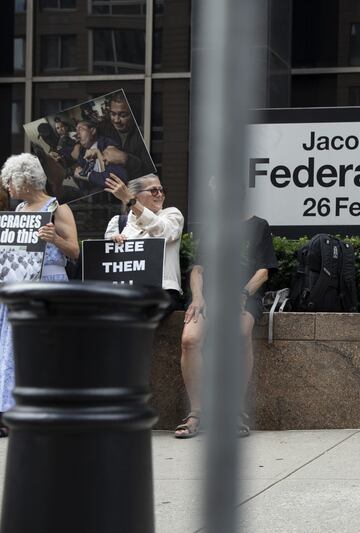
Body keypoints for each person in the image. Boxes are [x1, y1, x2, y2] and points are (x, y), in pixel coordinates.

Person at [174, 216, 278, 439]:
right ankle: (197, 414)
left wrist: (242, 294)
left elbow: (263, 271)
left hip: (244, 293)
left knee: (240, 334)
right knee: (189, 340)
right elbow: (197, 270)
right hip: (209, 295)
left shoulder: (258, 225)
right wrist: (198, 297)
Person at [0, 153, 80, 438]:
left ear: (24, 179)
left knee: (48, 347)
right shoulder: (19, 210)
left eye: (10, 180)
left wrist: (54, 238)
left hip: (50, 282)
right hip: (19, 285)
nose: (7, 186)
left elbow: (74, 250)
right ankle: (12, 410)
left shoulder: (57, 208)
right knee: (14, 349)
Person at [103, 173, 185, 312]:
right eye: (153, 190)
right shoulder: (118, 223)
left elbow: (162, 231)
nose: (159, 194)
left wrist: (131, 202)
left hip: (161, 292)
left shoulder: (172, 215)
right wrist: (112, 244)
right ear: (136, 195)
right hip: (126, 292)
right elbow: (109, 262)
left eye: (161, 190)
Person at [100, 92, 155, 180]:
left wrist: (125, 158)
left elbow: (150, 174)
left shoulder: (143, 136)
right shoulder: (105, 128)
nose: (116, 120)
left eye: (123, 115)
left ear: (133, 115)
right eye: (113, 114)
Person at [70, 119, 128, 189]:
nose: (77, 134)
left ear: (93, 131)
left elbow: (114, 180)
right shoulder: (82, 152)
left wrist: (87, 175)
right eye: (76, 131)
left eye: (80, 129)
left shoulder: (108, 145)